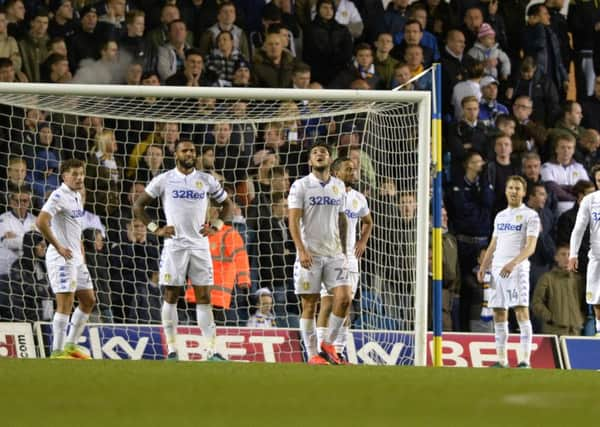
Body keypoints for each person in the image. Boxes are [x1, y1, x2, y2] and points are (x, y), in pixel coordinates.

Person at [133, 140, 233, 361]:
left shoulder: (206, 180)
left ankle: (211, 350)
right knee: (171, 295)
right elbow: (138, 205)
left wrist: (216, 226)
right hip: (175, 246)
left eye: (193, 150)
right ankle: (171, 349)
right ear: (176, 154)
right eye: (185, 150)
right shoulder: (165, 179)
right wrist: (155, 229)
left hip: (199, 246)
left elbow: (228, 205)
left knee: (204, 297)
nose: (190, 153)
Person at [288, 142, 351, 365]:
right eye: (315, 152)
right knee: (310, 304)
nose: (319, 154)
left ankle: (329, 342)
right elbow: (293, 220)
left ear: (329, 159)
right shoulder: (300, 186)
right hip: (310, 255)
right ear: (310, 161)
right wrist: (301, 250)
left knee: (344, 299)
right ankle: (313, 354)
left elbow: (341, 219)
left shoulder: (338, 186)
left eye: (323, 152)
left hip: (334, 253)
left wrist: (344, 251)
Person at [478, 176, 540, 368]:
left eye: (517, 189)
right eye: (511, 188)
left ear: (523, 192)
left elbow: (531, 247)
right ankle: (502, 360)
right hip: (497, 269)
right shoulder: (500, 216)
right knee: (499, 312)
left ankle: (525, 360)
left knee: (521, 310)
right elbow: (493, 244)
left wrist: (513, 264)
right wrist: (483, 266)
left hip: (517, 269)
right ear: (506, 191)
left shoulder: (531, 216)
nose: (514, 191)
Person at [35, 158, 95, 359]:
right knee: (65, 304)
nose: (79, 178)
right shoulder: (58, 195)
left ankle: (70, 345)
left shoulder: (76, 195)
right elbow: (41, 221)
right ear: (64, 176)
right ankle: (57, 351)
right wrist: (58, 245)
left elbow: (74, 229)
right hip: (61, 258)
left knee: (88, 300)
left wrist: (81, 254)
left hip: (76, 258)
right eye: (75, 174)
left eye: (81, 173)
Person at [315, 156, 372, 362]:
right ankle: (321, 352)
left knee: (345, 305)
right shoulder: (326, 194)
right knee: (328, 303)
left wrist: (362, 241)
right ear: (336, 172)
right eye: (349, 169)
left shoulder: (359, 198)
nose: (353, 173)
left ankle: (336, 352)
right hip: (329, 257)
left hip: (351, 259)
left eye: (354, 169)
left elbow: (368, 221)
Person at [568, 184, 600, 336]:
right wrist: (572, 254)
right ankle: (599, 331)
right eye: (599, 180)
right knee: (595, 301)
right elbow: (579, 228)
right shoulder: (590, 200)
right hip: (596, 257)